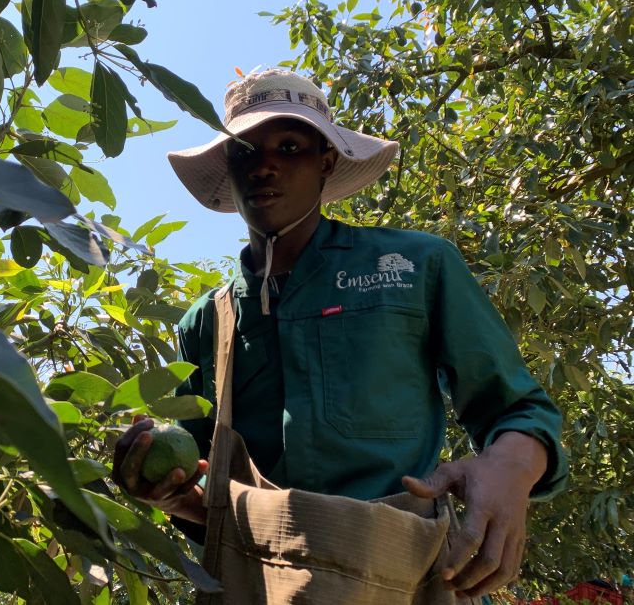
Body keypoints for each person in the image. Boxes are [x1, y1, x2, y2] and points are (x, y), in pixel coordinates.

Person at [112, 69, 567, 600]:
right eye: (243, 151)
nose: (264, 166)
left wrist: (510, 472)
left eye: (290, 146)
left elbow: (518, 410)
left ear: (326, 161)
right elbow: (208, 499)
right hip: (262, 583)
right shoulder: (206, 322)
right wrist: (170, 497)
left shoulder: (415, 265)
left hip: (404, 573)